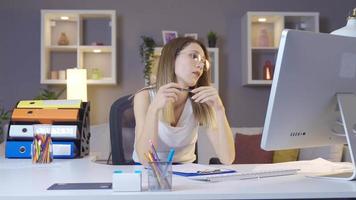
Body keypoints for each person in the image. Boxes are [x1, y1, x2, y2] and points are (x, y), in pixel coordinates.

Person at [133, 37, 235, 165]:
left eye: (203, 61)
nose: (200, 65)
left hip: (188, 173)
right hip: (151, 173)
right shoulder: (144, 97)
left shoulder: (201, 99)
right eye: (194, 56)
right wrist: (154, 109)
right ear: (172, 58)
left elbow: (228, 158)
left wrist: (220, 110)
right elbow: (145, 160)